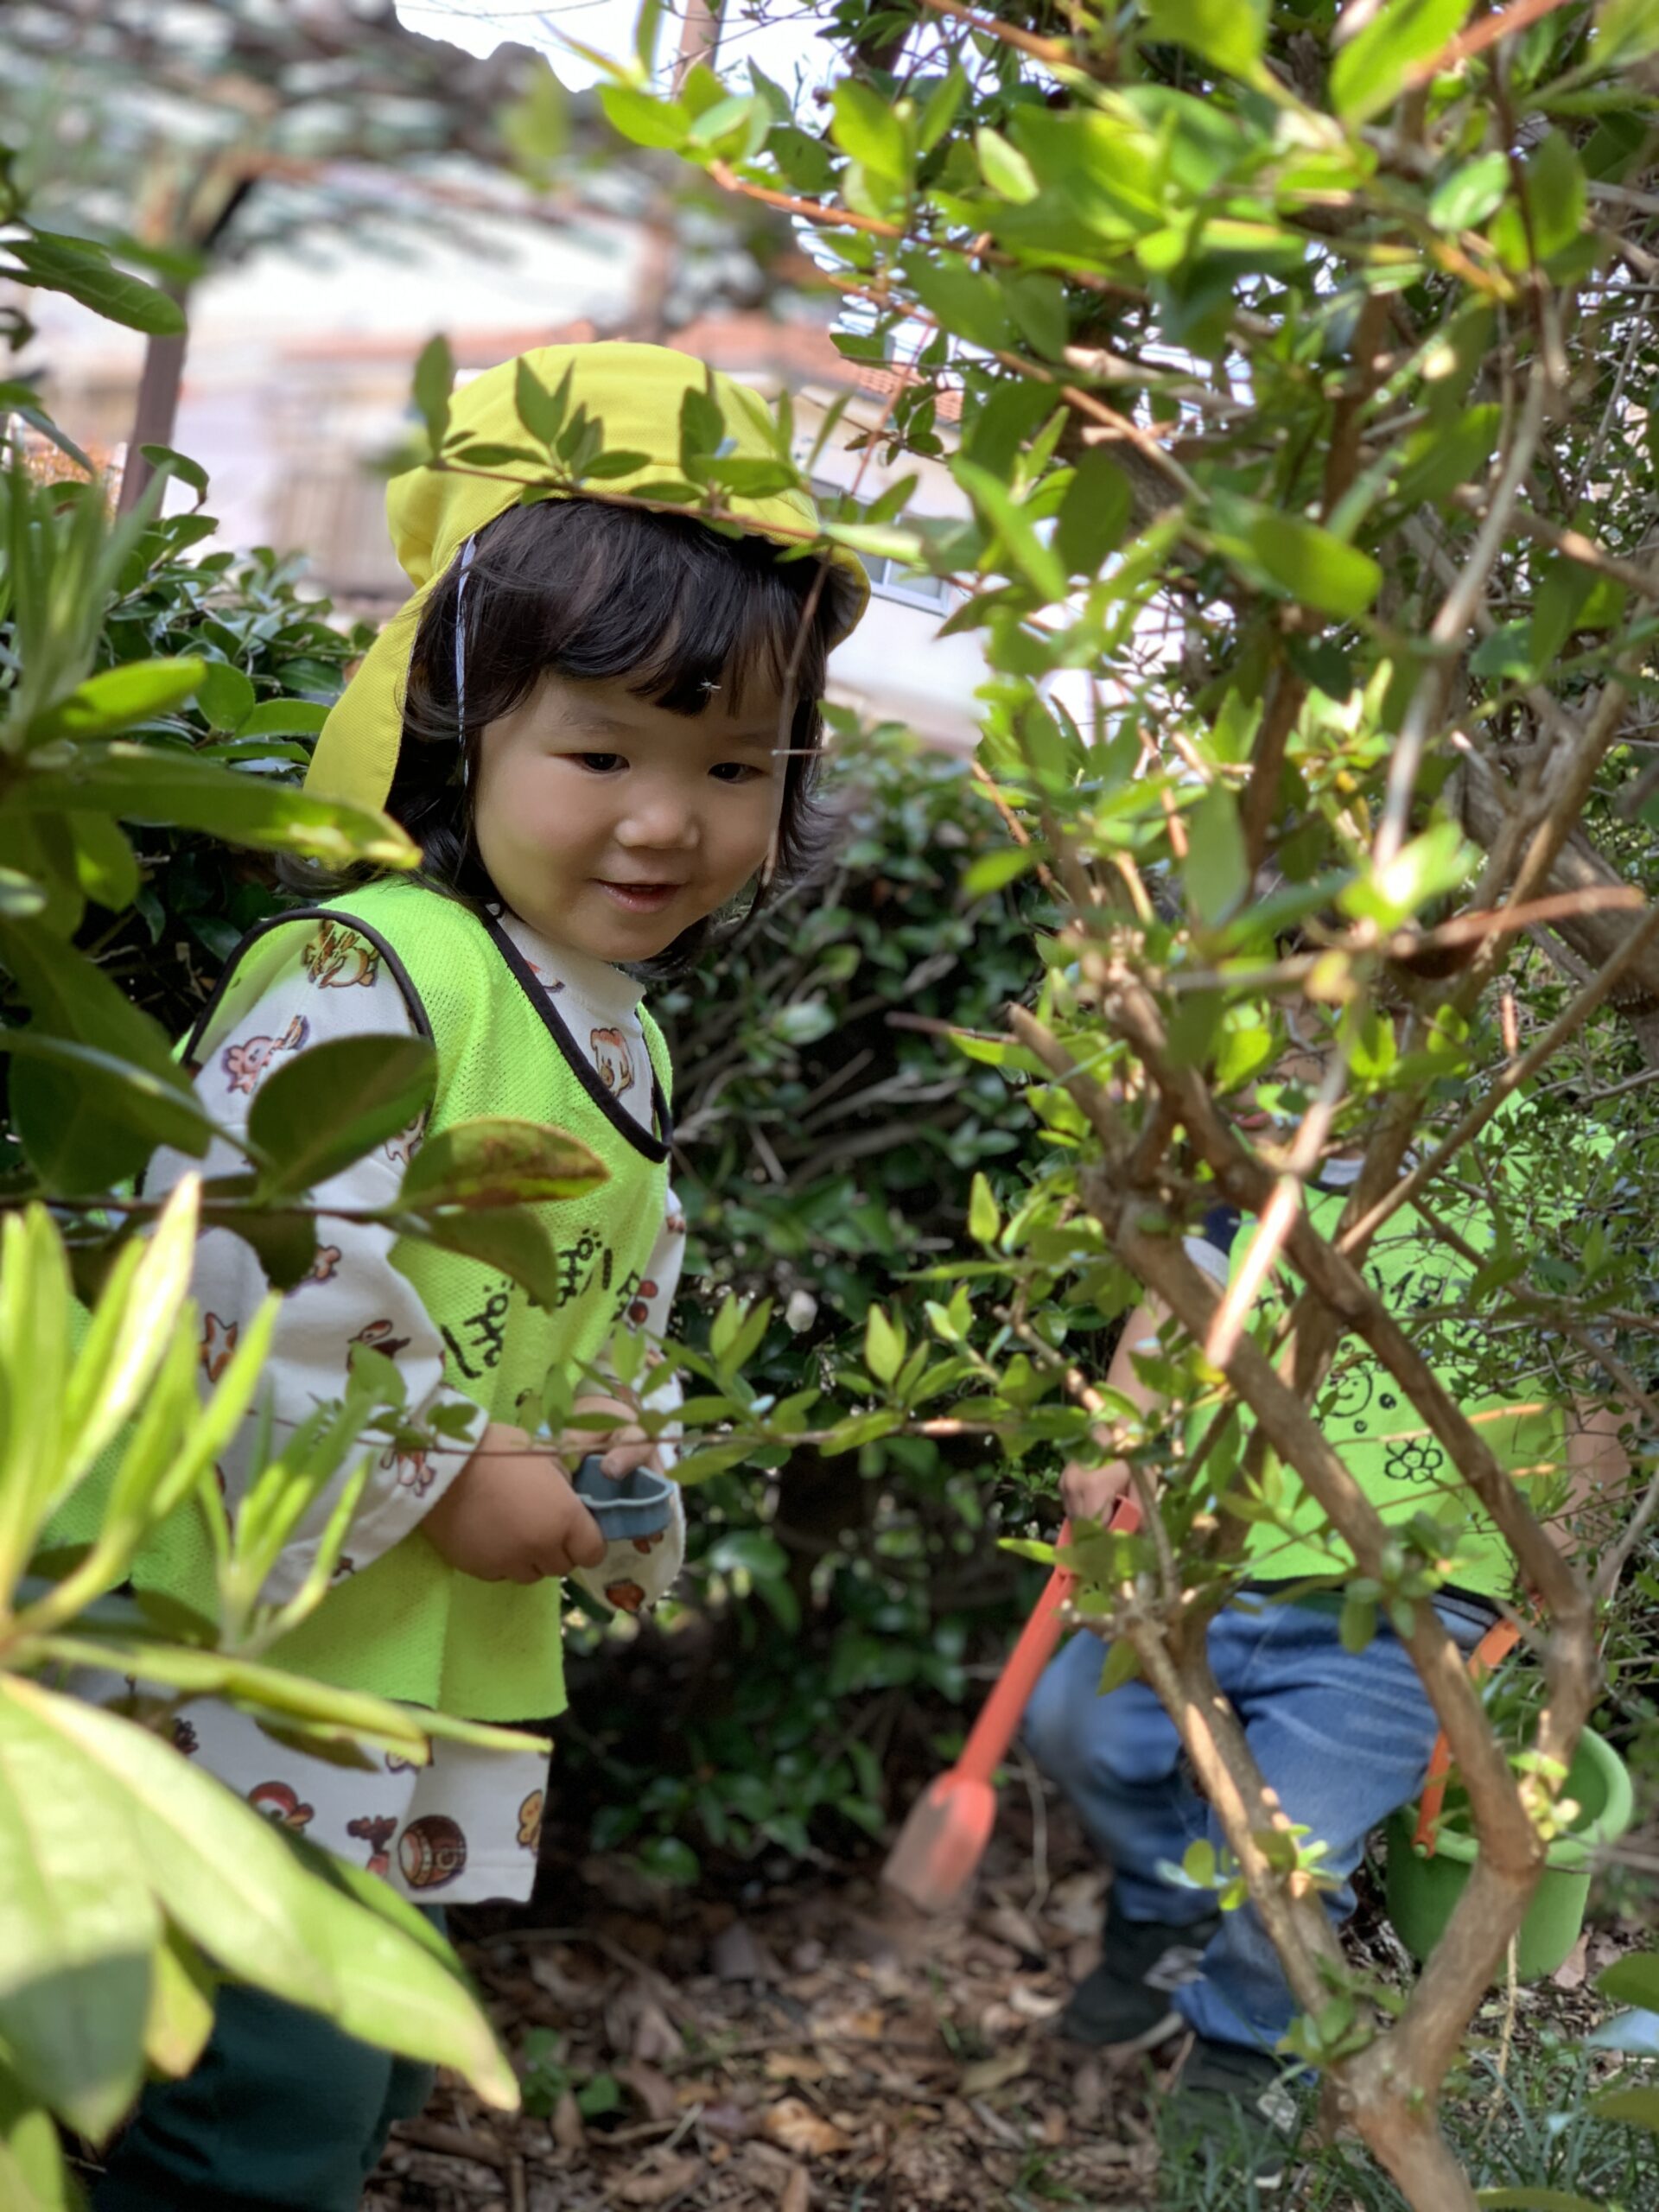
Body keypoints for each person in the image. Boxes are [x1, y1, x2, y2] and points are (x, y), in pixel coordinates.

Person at [72, 342, 868, 2212]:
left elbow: (604, 1290)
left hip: (402, 1673)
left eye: (733, 767)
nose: (665, 821)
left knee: (337, 2045)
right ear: (461, 733)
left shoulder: (624, 1028)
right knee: (245, 2080)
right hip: (253, 1655)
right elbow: (250, 1254)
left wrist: (608, 1441)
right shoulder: (371, 967)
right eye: (601, 754)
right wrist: (450, 1462)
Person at [1022, 1012, 1623, 2182]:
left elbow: (1595, 1391)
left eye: (1314, 1040)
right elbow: (1168, 1309)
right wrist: (1113, 1428)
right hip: (1220, 1567)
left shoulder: (1540, 1170)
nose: (1282, 1072)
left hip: (1409, 1608)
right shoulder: (1249, 1184)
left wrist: (1572, 1575)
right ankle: (1163, 1904)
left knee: (1284, 1852)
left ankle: (1243, 2055)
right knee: (1077, 1727)